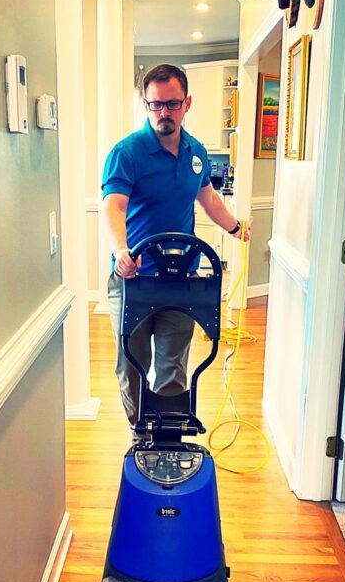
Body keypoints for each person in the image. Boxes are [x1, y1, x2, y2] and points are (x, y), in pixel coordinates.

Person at [101, 62, 250, 436]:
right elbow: (114, 205)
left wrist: (234, 227)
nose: (163, 112)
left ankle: (167, 430)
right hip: (133, 277)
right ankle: (140, 430)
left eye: (172, 103)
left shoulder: (196, 153)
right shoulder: (128, 152)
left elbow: (208, 199)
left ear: (187, 103)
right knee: (132, 363)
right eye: (155, 105)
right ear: (146, 104)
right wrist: (120, 250)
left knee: (174, 363)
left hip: (180, 279)